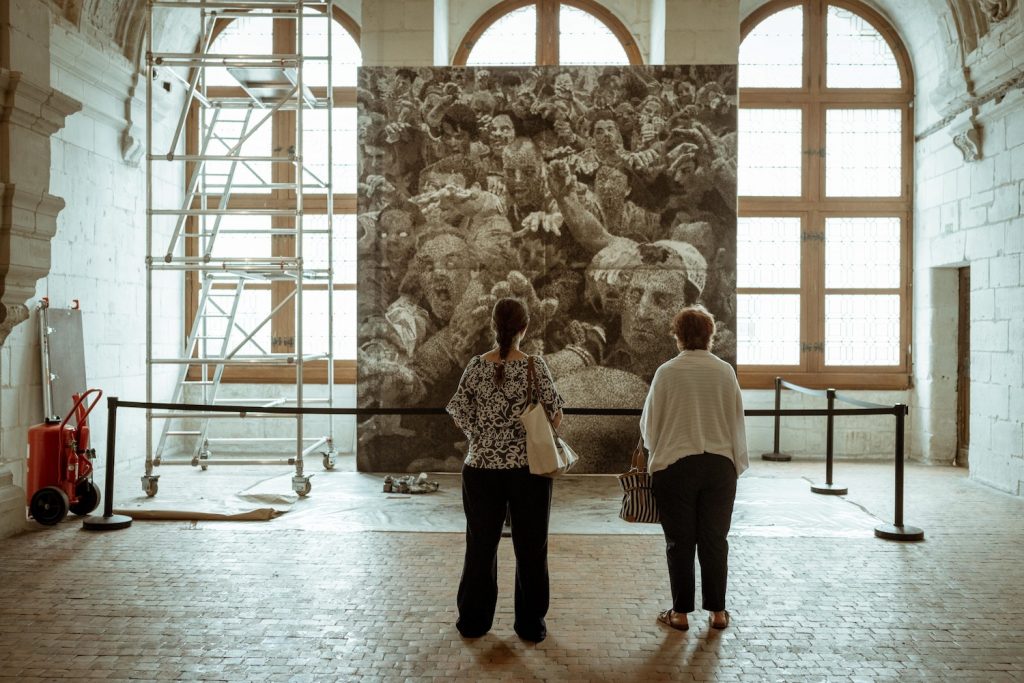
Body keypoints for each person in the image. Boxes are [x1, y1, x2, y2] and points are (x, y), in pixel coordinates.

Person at [446, 298, 565, 643]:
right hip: (529, 470)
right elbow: (556, 416)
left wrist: (479, 435)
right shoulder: (535, 366)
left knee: (480, 547)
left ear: (492, 325)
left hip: (481, 469)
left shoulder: (476, 366)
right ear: (525, 328)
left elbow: (457, 410)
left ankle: (474, 622)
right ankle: (529, 626)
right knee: (531, 548)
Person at [639, 305, 748, 632]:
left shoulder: (667, 372)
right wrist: (735, 465)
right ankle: (717, 613)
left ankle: (680, 614)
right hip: (718, 467)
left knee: (679, 542)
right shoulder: (725, 371)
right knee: (715, 540)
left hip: (675, 467)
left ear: (678, 335)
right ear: (710, 335)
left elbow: (649, 426)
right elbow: (736, 421)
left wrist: (655, 457)